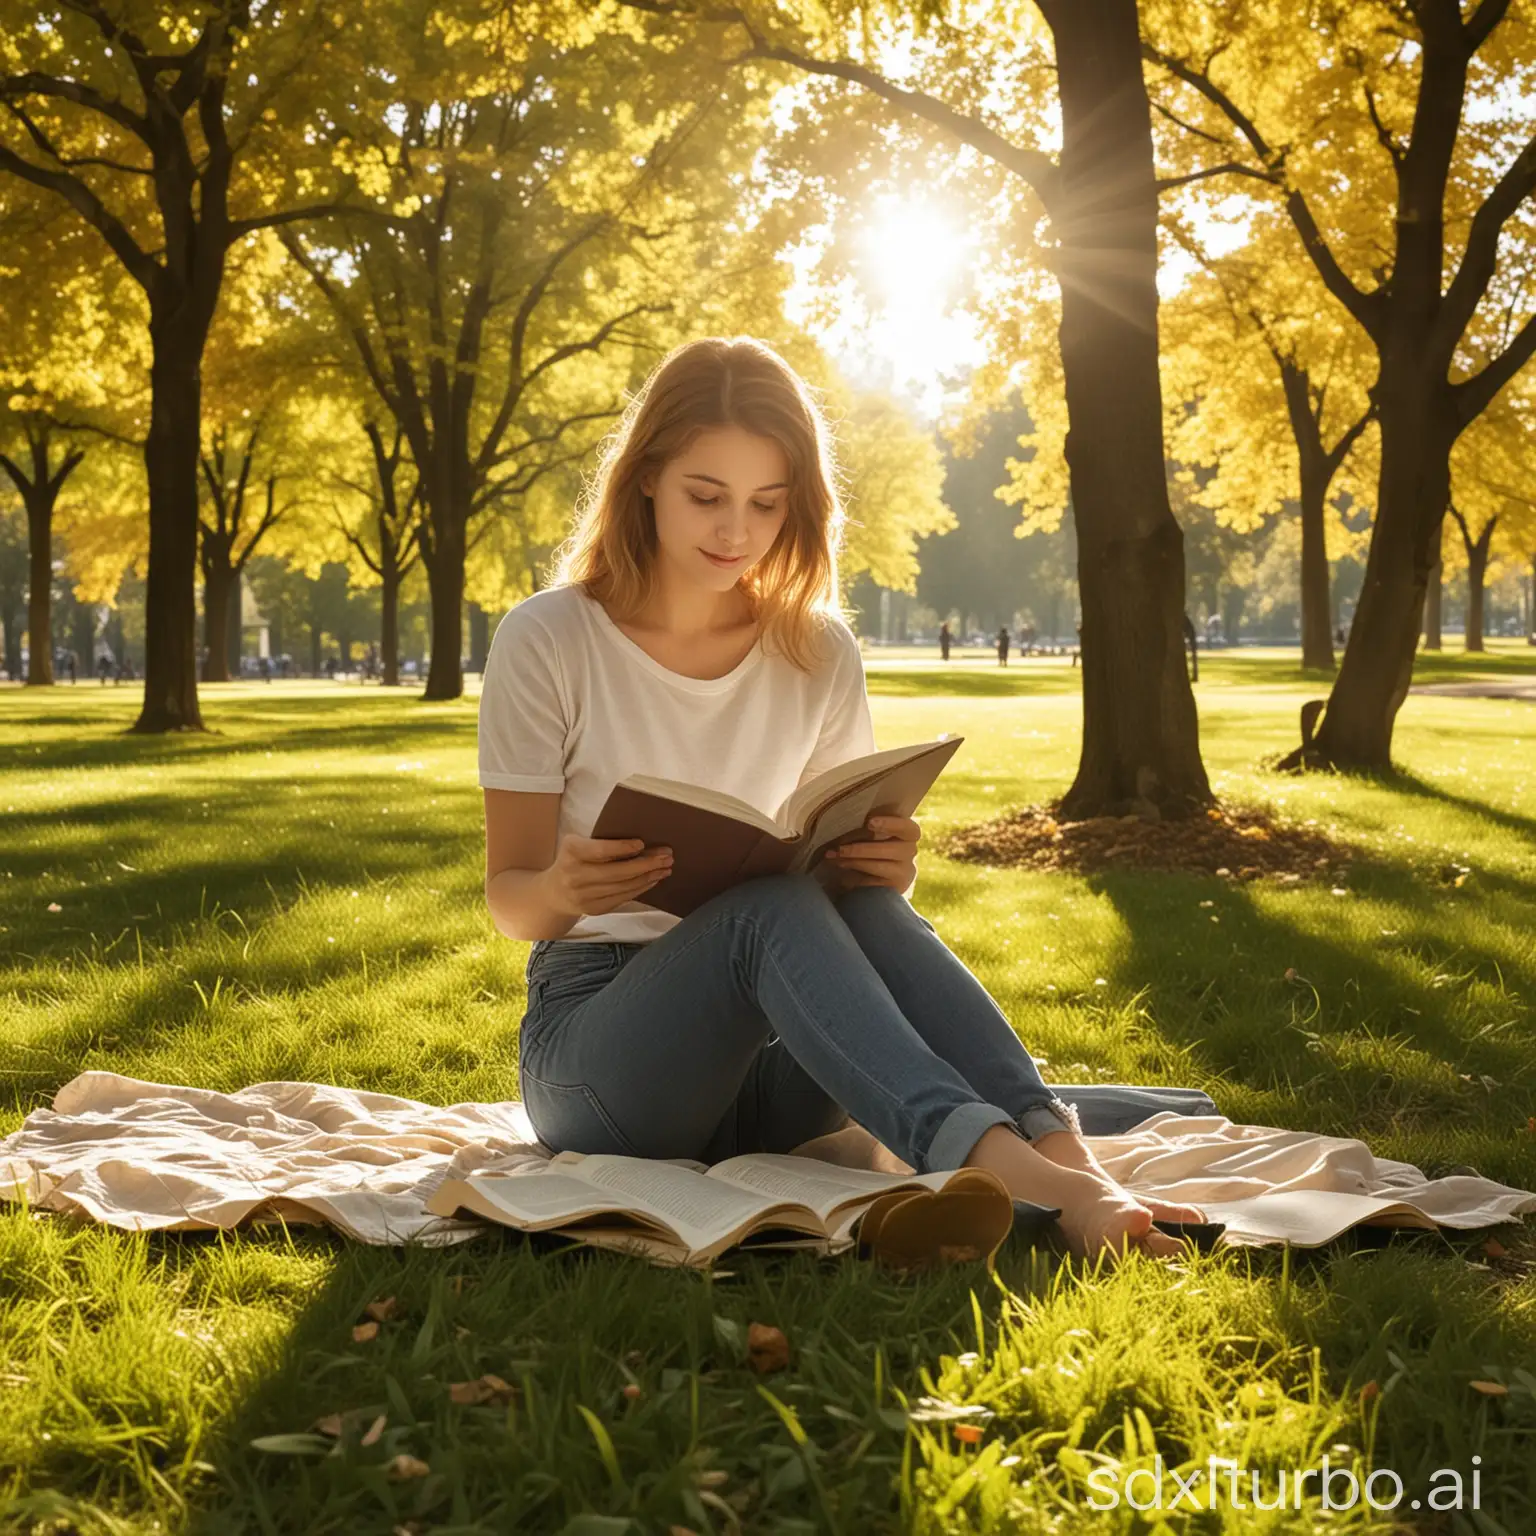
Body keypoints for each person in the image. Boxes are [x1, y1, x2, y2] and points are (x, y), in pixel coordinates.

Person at [479, 336, 1207, 1261]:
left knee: (846, 904)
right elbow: (510, 899)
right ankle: (1034, 1186)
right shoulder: (549, 639)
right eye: (707, 495)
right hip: (603, 1059)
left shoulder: (818, 651)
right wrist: (564, 890)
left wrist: (881, 870)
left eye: (766, 504)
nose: (735, 532)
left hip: (780, 1064)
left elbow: (844, 911)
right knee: (767, 911)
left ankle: (1067, 1155)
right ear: (647, 478)